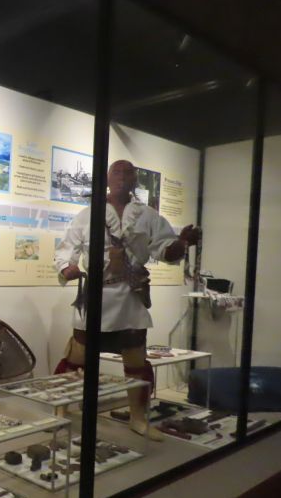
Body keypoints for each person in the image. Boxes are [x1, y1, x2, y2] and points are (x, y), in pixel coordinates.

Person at [53, 159, 200, 440]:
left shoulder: (148, 216)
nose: (122, 176)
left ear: (135, 180)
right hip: (95, 295)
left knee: (136, 360)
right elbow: (67, 249)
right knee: (77, 357)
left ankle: (138, 418)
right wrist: (65, 267)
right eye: (117, 172)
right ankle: (61, 409)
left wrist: (181, 243)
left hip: (131, 295)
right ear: (108, 179)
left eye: (128, 172)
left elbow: (165, 250)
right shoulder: (87, 215)